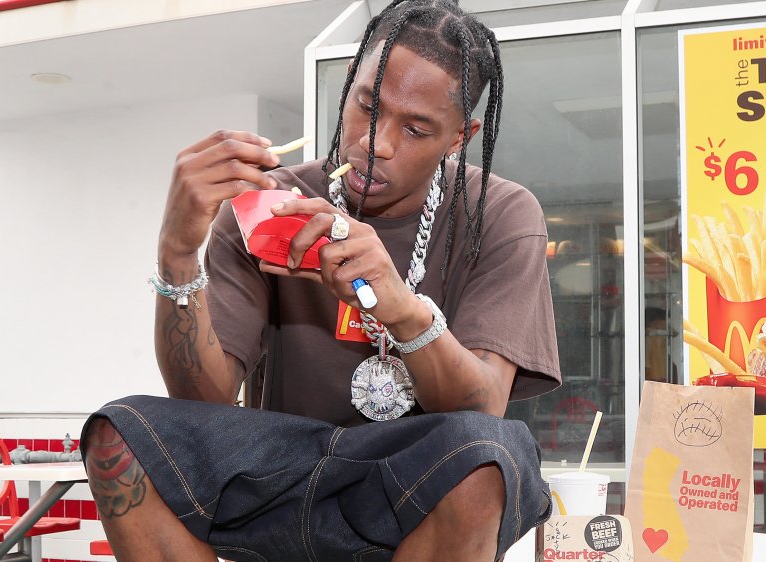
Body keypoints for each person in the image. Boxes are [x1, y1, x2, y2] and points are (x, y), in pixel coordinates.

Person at [80, 1, 561, 560]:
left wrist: (403, 310)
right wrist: (178, 251)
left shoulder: (499, 213)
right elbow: (200, 401)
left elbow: (482, 407)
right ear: (347, 88)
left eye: (416, 128)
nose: (375, 142)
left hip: (411, 487)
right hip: (277, 480)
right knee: (121, 432)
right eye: (366, 105)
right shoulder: (267, 205)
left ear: (460, 136)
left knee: (487, 452)